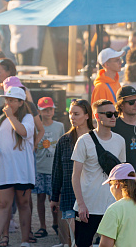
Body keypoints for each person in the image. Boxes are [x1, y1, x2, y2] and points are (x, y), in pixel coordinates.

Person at [71, 99, 126, 247]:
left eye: (115, 113)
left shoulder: (120, 141)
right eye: (109, 114)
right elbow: (75, 176)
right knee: (82, 244)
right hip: (88, 207)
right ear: (97, 116)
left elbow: (122, 175)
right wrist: (81, 204)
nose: (113, 117)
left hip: (112, 206)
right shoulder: (84, 141)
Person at [0, 86, 36, 247]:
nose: (7, 103)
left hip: (22, 170)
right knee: (3, 204)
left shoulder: (28, 118)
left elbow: (23, 132)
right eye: (6, 100)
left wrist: (10, 117)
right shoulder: (1, 119)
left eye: (11, 100)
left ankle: (24, 241)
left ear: (20, 102)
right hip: (4, 169)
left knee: (23, 204)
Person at [51, 99, 94, 247]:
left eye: (76, 114)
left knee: (87, 240)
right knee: (72, 240)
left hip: (92, 195)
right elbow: (57, 170)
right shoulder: (64, 140)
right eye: (70, 113)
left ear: (87, 115)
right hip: (69, 196)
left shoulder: (97, 139)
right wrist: (54, 197)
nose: (72, 117)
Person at [32, 97, 64, 240]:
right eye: (45, 110)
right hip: (39, 167)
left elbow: (62, 145)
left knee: (54, 198)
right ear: (39, 111)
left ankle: (56, 224)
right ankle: (42, 225)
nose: (48, 112)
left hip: (54, 169)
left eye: (50, 109)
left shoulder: (59, 126)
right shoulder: (34, 126)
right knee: (40, 198)